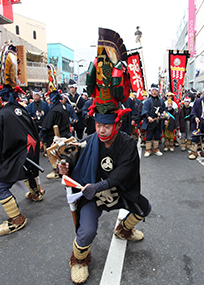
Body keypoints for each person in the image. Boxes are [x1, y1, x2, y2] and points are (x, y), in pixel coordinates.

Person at [61, 29, 150, 283]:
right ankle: (78, 258)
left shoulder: (127, 144)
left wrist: (101, 185)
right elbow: (74, 159)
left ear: (117, 124)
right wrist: (65, 166)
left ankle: (123, 229)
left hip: (115, 190)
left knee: (144, 208)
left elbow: (124, 172)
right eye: (99, 124)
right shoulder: (90, 140)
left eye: (106, 125)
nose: (101, 129)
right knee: (86, 231)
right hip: (92, 194)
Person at [0, 43, 42, 236]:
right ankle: (36, 192)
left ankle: (17, 219)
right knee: (29, 172)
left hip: (17, 156)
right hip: (29, 153)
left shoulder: (0, 116)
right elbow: (35, 131)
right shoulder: (22, 110)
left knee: (0, 188)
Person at [141, 84, 165, 157]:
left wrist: (165, 118)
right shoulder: (148, 101)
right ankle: (148, 149)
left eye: (156, 91)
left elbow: (164, 111)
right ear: (151, 92)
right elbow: (145, 110)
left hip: (158, 121)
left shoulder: (161, 101)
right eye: (153, 91)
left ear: (158, 92)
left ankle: (155, 149)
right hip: (150, 121)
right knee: (149, 135)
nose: (154, 92)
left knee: (157, 135)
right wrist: (148, 117)